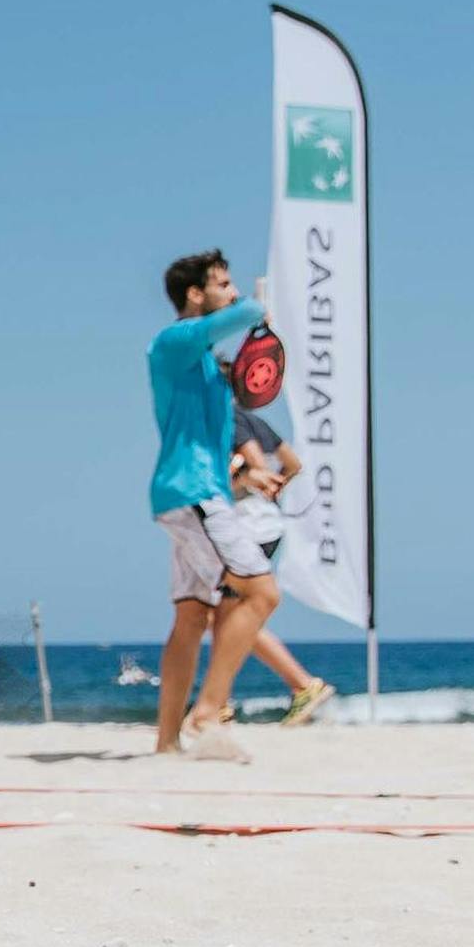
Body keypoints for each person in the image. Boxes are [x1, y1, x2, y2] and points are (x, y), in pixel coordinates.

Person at [146, 253, 276, 763]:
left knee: (192, 617)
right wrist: (258, 307)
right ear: (195, 294)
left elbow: (206, 436)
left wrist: (248, 473)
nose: (232, 289)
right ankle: (207, 710)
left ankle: (165, 742)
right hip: (195, 495)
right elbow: (240, 315)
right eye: (223, 283)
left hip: (192, 493)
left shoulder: (202, 364)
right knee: (262, 593)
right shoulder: (174, 341)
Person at [225, 411, 337, 723]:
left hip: (246, 525)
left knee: (230, 615)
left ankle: (301, 685)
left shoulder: (230, 421)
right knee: (227, 614)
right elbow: (293, 463)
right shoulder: (255, 420)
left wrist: (242, 481)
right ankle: (219, 701)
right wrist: (274, 487)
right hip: (267, 524)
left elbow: (255, 466)